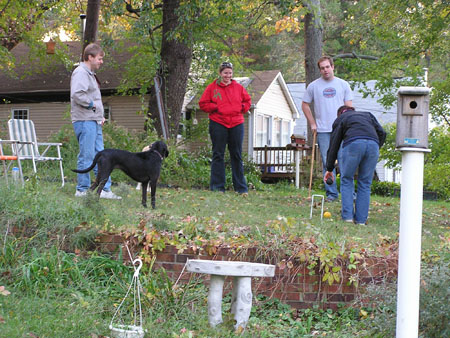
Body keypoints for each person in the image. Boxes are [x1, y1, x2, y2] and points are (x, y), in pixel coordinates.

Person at [70, 43, 121, 199]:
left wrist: (99, 115)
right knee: (87, 155)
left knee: (102, 155)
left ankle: (104, 190)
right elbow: (78, 94)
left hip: (93, 120)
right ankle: (82, 189)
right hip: (85, 121)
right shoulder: (80, 73)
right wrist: (92, 106)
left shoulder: (89, 74)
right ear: (90, 57)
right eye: (99, 58)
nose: (101, 62)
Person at [302, 56, 353, 202]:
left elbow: (349, 107)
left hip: (341, 129)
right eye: (322, 68)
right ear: (320, 70)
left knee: (344, 161)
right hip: (323, 130)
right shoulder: (313, 86)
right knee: (327, 162)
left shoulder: (343, 85)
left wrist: (349, 126)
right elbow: (305, 105)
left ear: (332, 67)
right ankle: (331, 194)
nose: (325, 70)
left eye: (327, 67)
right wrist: (312, 123)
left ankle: (347, 194)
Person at [324, 105, 386, 225]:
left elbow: (334, 145)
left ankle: (347, 218)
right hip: (373, 145)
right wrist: (375, 147)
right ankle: (361, 220)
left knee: (347, 179)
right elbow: (382, 133)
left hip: (353, 145)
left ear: (340, 113)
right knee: (365, 183)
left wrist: (329, 168)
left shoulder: (341, 119)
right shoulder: (368, 115)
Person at [199, 62, 251, 194]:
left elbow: (247, 101)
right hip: (218, 123)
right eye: (225, 73)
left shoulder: (238, 88)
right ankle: (217, 187)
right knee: (218, 154)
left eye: (230, 73)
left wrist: (242, 108)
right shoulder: (212, 88)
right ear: (220, 73)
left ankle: (241, 188)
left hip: (236, 123)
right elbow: (203, 104)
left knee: (236, 155)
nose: (228, 75)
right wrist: (216, 107)